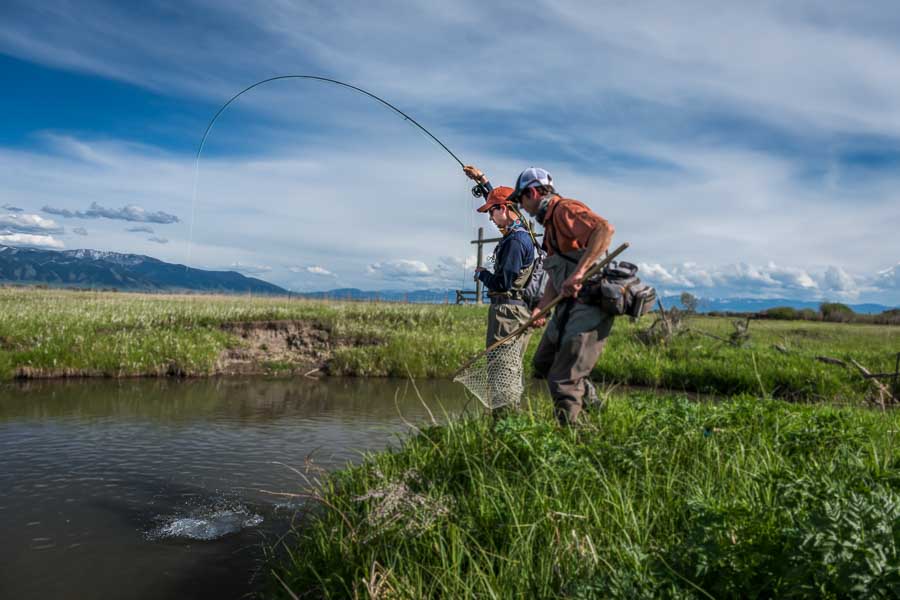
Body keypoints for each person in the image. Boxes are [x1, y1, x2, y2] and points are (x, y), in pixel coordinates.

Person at [507, 167, 616, 426]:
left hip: (588, 302)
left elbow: (604, 230)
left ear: (532, 192)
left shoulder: (564, 210)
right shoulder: (549, 229)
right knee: (544, 361)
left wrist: (579, 274)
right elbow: (556, 280)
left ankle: (575, 437)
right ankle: (594, 404)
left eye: (521, 199)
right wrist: (540, 309)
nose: (521, 206)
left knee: (563, 378)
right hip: (565, 305)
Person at [464, 165, 537, 411]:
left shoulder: (515, 242)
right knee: (508, 366)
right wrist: (483, 181)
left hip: (507, 314)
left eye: (491, 212)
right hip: (515, 313)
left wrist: (483, 275)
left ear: (504, 210)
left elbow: (504, 283)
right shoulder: (521, 231)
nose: (490, 217)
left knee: (502, 368)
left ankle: (505, 423)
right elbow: (501, 201)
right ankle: (507, 421)